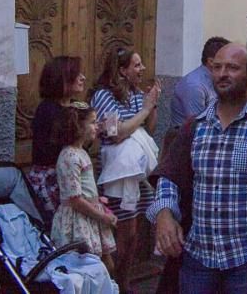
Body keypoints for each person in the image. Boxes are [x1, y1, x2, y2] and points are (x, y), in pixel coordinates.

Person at [149, 43, 247, 293]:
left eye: (232, 67)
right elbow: (170, 177)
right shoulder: (195, 128)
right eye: (217, 67)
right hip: (199, 258)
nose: (222, 74)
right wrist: (164, 214)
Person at [90, 47, 161, 290]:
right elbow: (116, 133)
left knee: (133, 233)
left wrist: (152, 105)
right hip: (118, 173)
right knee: (123, 231)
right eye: (137, 65)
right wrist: (143, 111)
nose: (142, 69)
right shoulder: (103, 96)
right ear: (122, 70)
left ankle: (125, 280)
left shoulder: (135, 93)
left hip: (135, 172)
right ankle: (116, 283)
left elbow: (149, 129)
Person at [51, 102, 117, 274]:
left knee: (106, 266)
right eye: (93, 122)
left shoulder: (81, 152)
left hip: (90, 214)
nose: (97, 126)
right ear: (78, 126)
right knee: (88, 268)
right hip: (79, 218)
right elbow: (75, 199)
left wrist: (97, 200)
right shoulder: (69, 156)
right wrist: (102, 216)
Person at [29, 56, 86, 227]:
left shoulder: (76, 106)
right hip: (53, 181)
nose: (83, 77)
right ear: (62, 78)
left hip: (73, 176)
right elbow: (58, 149)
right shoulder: (48, 110)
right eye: (77, 74)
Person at [170, 36, 229, 129]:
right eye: (227, 61)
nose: (230, 66)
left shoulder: (216, 80)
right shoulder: (194, 86)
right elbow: (199, 125)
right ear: (211, 61)